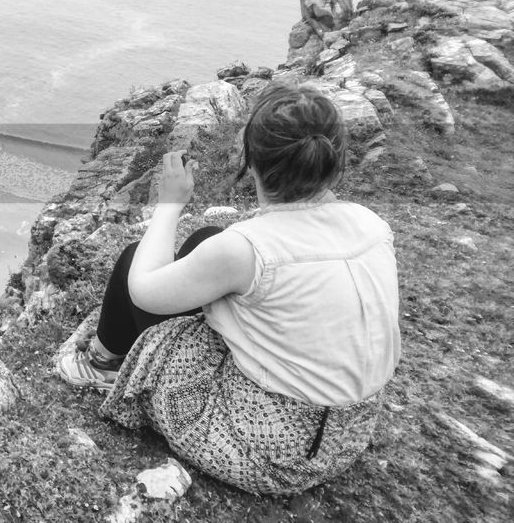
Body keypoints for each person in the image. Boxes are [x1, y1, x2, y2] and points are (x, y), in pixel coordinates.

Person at [54, 83, 400, 495]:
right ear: (334, 161)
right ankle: (107, 356)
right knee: (205, 238)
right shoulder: (371, 225)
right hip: (346, 433)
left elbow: (142, 290)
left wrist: (170, 203)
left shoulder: (246, 250)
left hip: (274, 451)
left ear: (251, 161)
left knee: (135, 258)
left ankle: (101, 363)